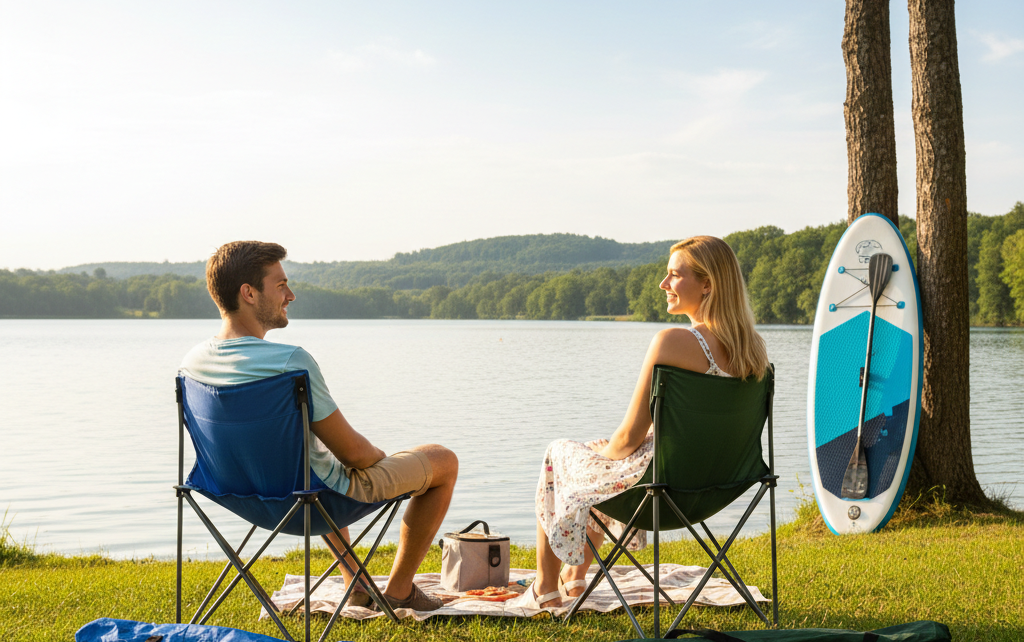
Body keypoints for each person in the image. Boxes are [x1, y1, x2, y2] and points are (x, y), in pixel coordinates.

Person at [179, 240, 458, 612]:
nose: (290, 295)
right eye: (280, 285)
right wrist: (381, 459)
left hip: (241, 499)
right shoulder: (290, 362)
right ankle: (400, 591)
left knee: (316, 462)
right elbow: (355, 454)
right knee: (443, 461)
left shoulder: (192, 364)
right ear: (248, 293)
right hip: (311, 503)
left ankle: (355, 583)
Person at [514, 235, 770, 611]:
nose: (664, 284)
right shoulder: (754, 352)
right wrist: (604, 452)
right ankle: (575, 578)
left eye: (673, 275)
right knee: (598, 455)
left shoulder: (673, 341)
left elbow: (629, 437)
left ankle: (545, 589)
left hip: (659, 492)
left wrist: (605, 454)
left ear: (708, 285)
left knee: (563, 454)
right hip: (716, 488)